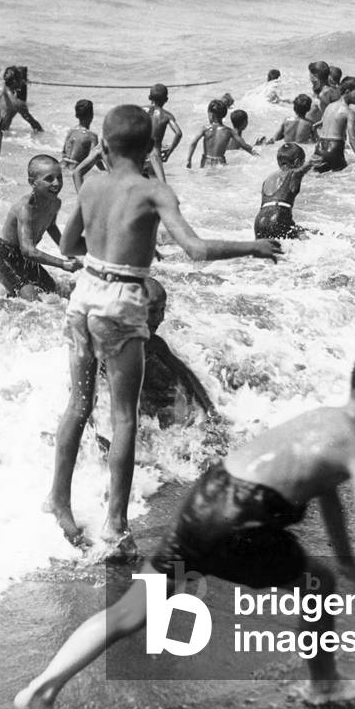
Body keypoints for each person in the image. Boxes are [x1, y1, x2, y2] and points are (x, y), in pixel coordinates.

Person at [16, 336, 355, 709]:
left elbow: (328, 494)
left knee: (130, 612)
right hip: (242, 520)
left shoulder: (321, 420)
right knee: (317, 582)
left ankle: (41, 689)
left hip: (205, 500)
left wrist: (344, 558)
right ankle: (324, 685)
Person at [46, 104, 281, 558]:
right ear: (152, 146)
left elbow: (67, 245)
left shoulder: (91, 184)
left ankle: (59, 500)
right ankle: (115, 524)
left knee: (77, 405)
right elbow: (194, 248)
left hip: (84, 294)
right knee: (123, 417)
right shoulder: (155, 192)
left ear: (104, 143)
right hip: (122, 302)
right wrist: (252, 247)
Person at [0, 155, 82, 300]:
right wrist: (63, 264)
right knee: (31, 301)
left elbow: (51, 227)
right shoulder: (26, 208)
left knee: (54, 293)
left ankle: (11, 295)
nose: (57, 183)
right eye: (49, 179)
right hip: (4, 257)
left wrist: (69, 254)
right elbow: (28, 250)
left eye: (59, 177)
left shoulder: (55, 203)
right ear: (32, 183)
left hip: (25, 258)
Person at [136, 278, 217, 427]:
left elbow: (184, 373)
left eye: (162, 309)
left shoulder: (154, 344)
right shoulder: (114, 344)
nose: (160, 318)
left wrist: (209, 409)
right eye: (152, 311)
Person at [253, 143, 314, 239]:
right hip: (278, 217)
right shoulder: (293, 174)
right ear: (297, 162)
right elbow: (300, 171)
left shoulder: (268, 179)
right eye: (303, 161)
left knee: (265, 251)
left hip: (259, 221)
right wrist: (314, 162)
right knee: (306, 239)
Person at [312, 76, 355, 172]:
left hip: (319, 148)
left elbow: (315, 126)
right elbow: (353, 139)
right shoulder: (349, 112)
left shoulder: (329, 106)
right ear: (347, 91)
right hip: (335, 149)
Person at [185, 100, 257, 167]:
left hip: (206, 162)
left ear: (211, 115)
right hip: (220, 163)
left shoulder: (205, 128)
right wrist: (259, 157)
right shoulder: (229, 131)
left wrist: (189, 160)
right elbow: (245, 146)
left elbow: (193, 142)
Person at [145, 83, 183, 163]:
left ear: (149, 97)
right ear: (166, 99)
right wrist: (169, 152)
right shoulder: (166, 115)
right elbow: (178, 133)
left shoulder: (140, 110)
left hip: (140, 155)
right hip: (155, 157)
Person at [61, 99, 99, 169]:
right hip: (77, 170)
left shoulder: (70, 132)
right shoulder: (92, 136)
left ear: (76, 115)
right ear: (92, 115)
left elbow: (64, 153)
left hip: (63, 167)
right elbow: (94, 159)